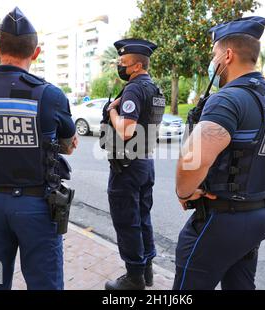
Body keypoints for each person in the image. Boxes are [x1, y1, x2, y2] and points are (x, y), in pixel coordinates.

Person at [0, 7, 78, 290]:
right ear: (35, 53)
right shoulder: (48, 94)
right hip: (36, 209)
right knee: (44, 282)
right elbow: (69, 142)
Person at [174, 17, 265, 290]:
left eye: (214, 56)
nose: (213, 63)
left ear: (227, 55)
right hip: (261, 213)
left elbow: (194, 158)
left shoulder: (229, 98)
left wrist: (184, 193)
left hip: (223, 220)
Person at [102, 39, 165, 290]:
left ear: (137, 65)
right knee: (143, 217)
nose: (120, 66)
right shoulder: (154, 89)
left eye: (124, 63)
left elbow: (126, 130)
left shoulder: (133, 89)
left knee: (127, 220)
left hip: (126, 165)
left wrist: (111, 111)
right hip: (144, 161)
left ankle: (134, 278)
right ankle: (146, 270)